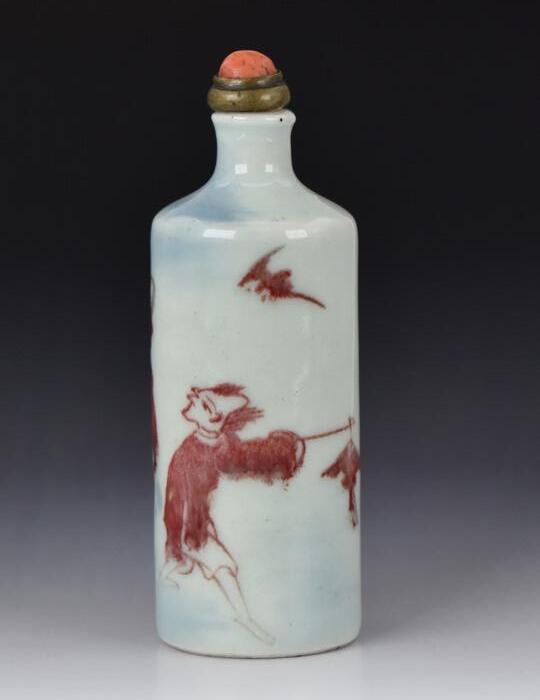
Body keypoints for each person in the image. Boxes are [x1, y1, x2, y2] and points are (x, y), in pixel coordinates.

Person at [161, 383, 305, 643]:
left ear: (213, 417)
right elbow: (178, 501)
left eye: (201, 401)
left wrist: (282, 449)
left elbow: (246, 458)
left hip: (195, 526)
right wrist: (189, 537)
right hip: (190, 528)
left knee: (190, 559)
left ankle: (173, 567)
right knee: (223, 566)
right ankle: (244, 618)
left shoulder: (215, 446)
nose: (192, 397)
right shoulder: (194, 451)